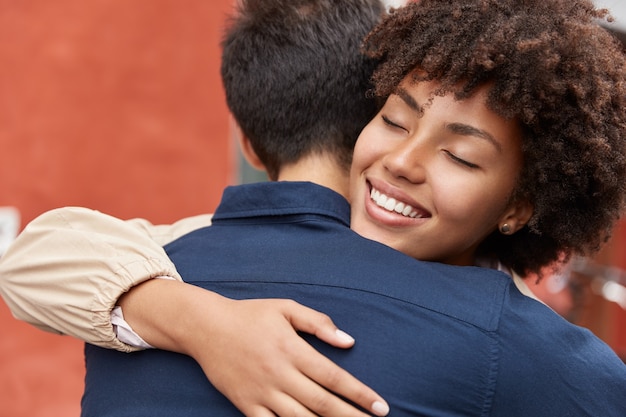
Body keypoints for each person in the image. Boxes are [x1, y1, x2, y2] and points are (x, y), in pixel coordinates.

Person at [3, 0, 626, 415]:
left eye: (460, 158)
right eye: (393, 121)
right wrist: (199, 321)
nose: (405, 162)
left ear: (521, 206)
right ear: (364, 119)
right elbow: (36, 256)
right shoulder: (168, 261)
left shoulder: (178, 252)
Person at [0, 0, 392, 416]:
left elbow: (25, 263)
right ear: (378, 119)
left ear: (248, 145)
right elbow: (28, 264)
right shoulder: (435, 266)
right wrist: (208, 326)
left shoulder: (177, 250)